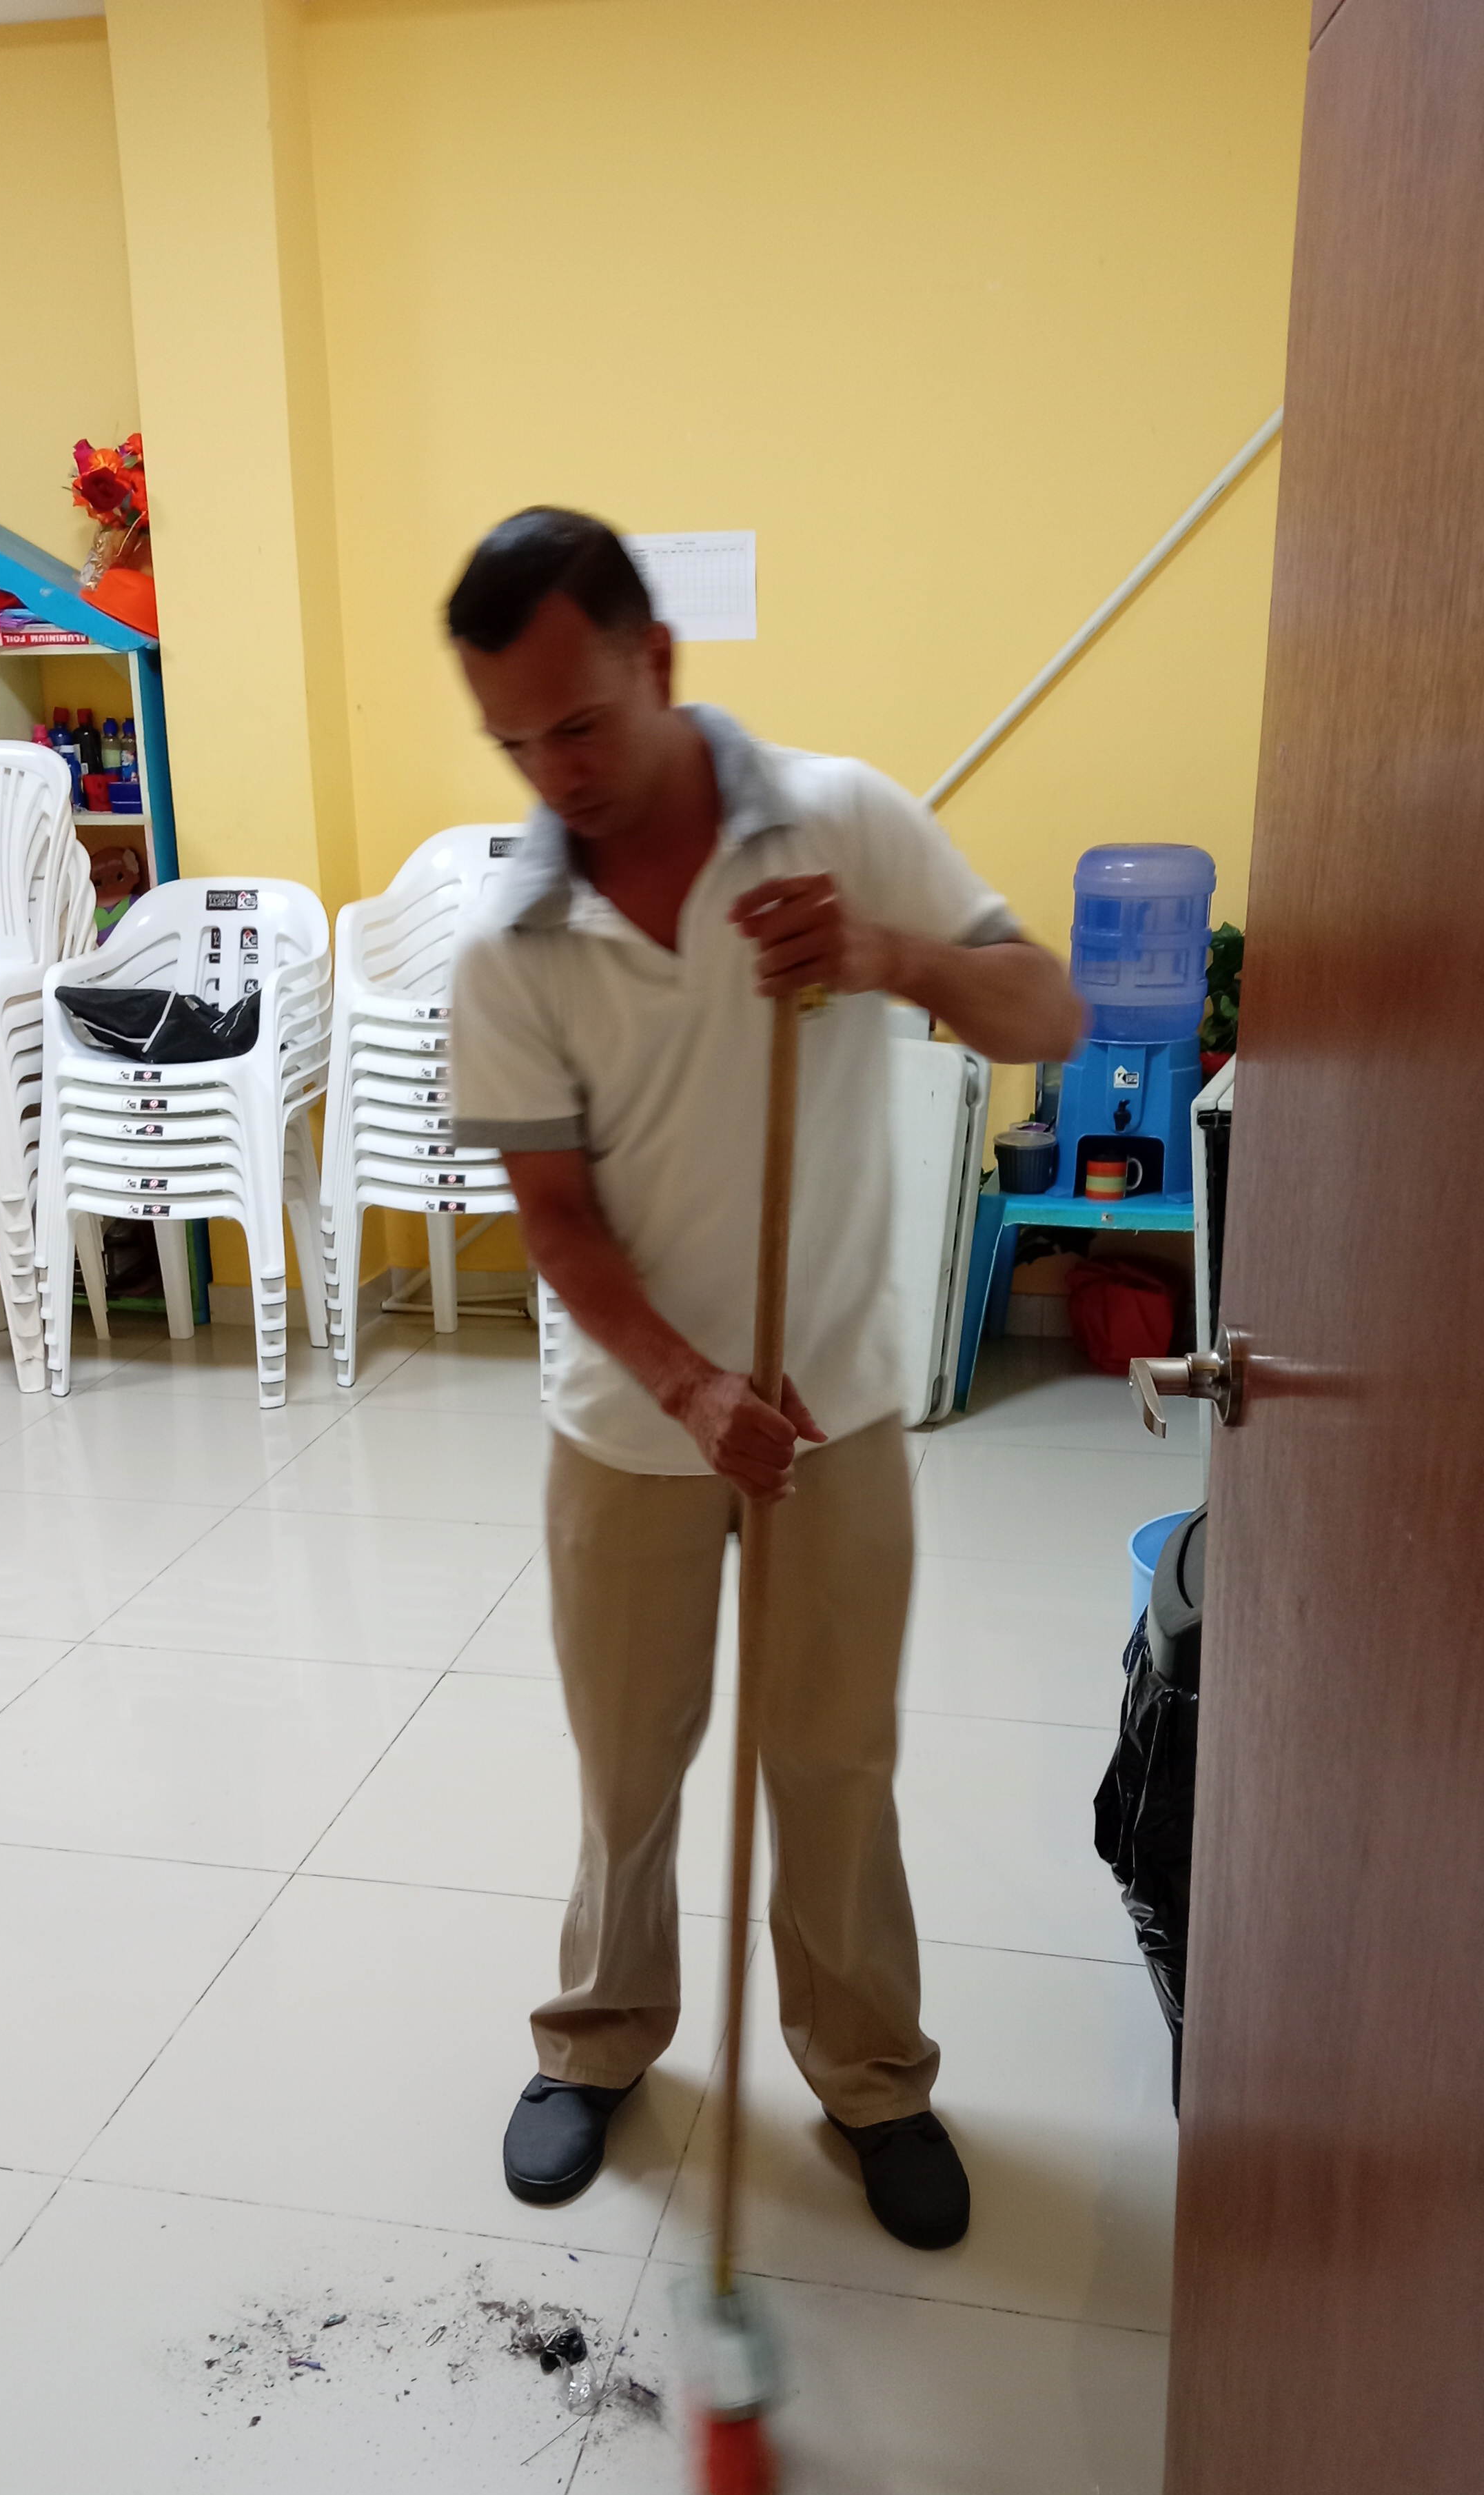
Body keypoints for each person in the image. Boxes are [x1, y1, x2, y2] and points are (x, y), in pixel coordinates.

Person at [445, 507, 1082, 2249]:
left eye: (581, 723)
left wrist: (886, 958)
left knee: (834, 1766)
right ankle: (596, 2039)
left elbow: (1045, 1014)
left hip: (839, 1414)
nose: (555, 774)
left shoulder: (841, 820)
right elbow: (555, 1219)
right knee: (626, 1769)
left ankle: (870, 2076)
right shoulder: (509, 937)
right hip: (624, 1430)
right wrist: (687, 1388)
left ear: (657, 661)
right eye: (515, 743)